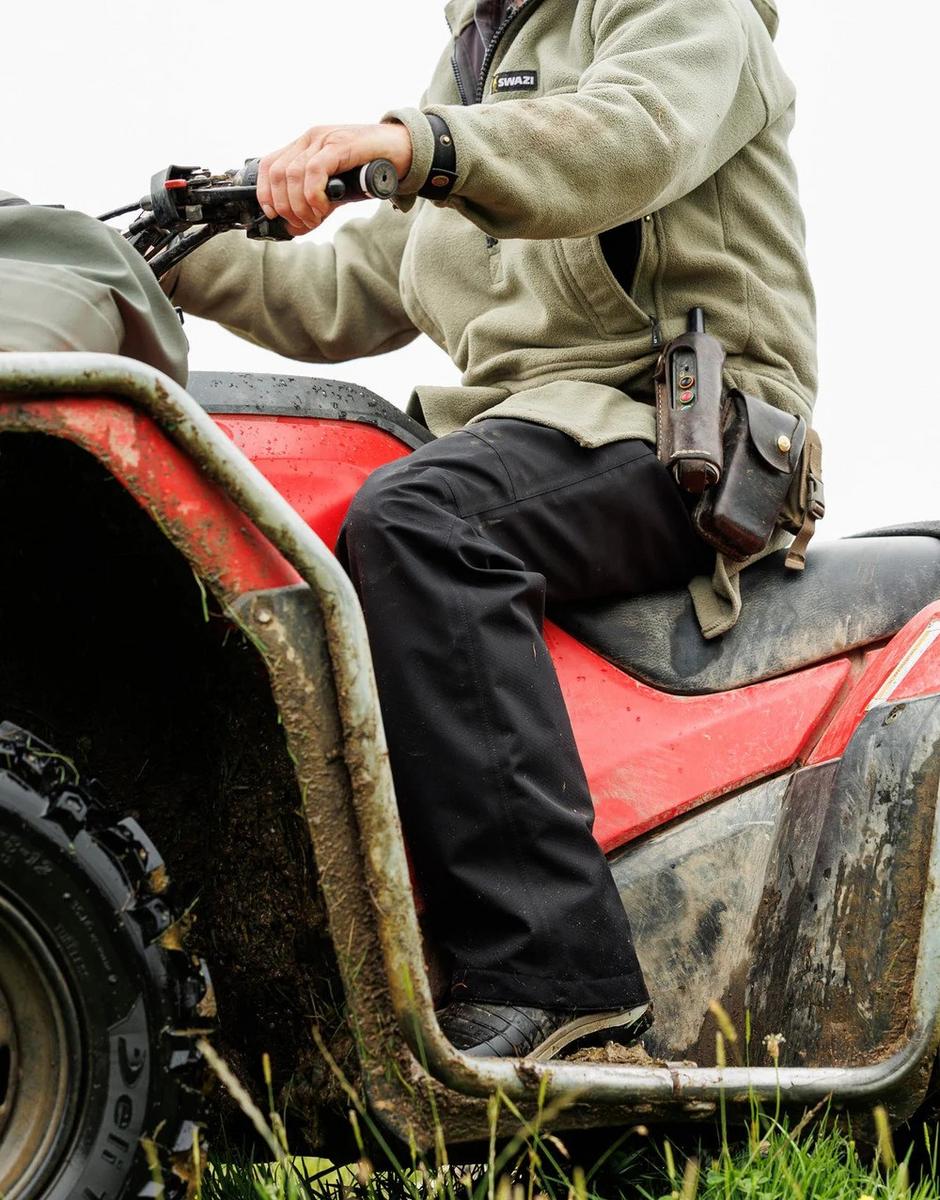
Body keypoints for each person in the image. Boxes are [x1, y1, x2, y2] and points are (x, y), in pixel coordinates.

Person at [3, 0, 816, 1060]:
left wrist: (409, 144)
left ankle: (560, 977)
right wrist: (144, 255)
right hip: (526, 432)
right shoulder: (478, 59)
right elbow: (344, 291)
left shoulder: (683, 13)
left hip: (678, 432)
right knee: (324, 505)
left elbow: (631, 137)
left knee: (420, 519)